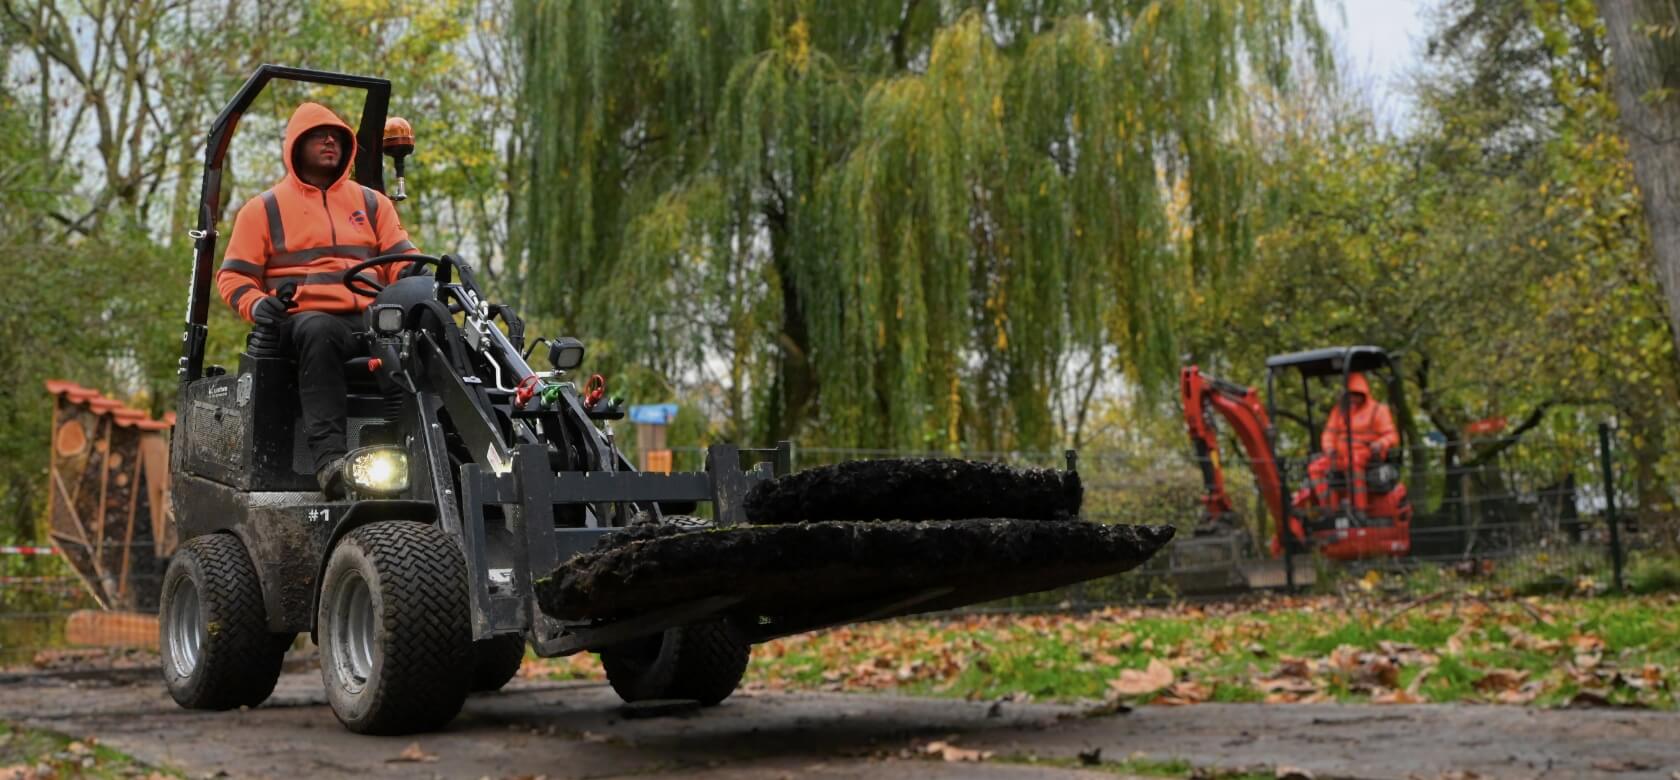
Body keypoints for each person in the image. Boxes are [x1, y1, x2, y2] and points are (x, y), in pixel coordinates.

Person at [216, 102, 418, 498]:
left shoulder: (372, 203)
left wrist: (419, 286)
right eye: (318, 135)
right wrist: (259, 305)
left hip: (371, 319)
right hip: (303, 322)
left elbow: (402, 262)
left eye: (337, 136)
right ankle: (330, 461)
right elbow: (233, 277)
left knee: (421, 336)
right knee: (319, 328)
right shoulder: (263, 209)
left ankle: (428, 452)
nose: (330, 140)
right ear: (295, 146)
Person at [1306, 372, 1398, 514]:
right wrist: (1329, 447)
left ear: (1363, 394)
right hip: (1340, 455)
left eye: (1356, 394)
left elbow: (1391, 435)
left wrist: (1381, 444)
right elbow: (1329, 433)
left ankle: (1358, 509)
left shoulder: (1378, 410)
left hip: (1367, 455)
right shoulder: (1339, 411)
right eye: (1350, 395)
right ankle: (1330, 508)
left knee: (1353, 461)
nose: (1353, 398)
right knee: (1315, 468)